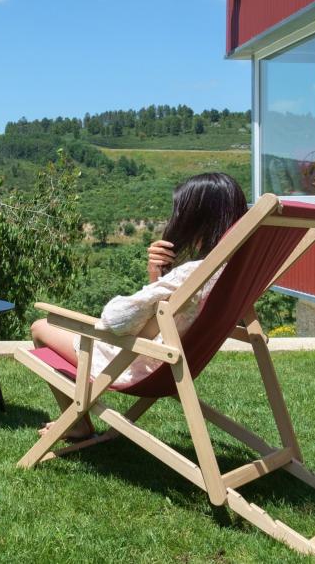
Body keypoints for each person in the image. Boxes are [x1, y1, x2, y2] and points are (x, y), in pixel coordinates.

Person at [31, 172, 248, 440]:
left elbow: (116, 321)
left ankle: (77, 422)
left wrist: (157, 284)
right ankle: (77, 421)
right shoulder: (232, 272)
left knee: (41, 326)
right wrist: (157, 277)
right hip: (172, 362)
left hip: (138, 362)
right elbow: (163, 318)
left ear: (197, 219)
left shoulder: (194, 273)